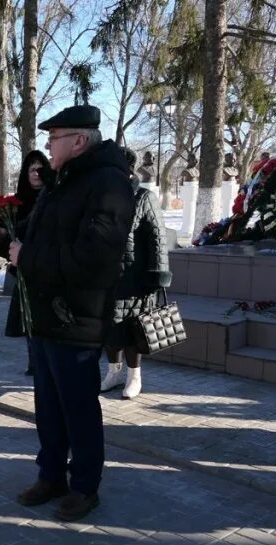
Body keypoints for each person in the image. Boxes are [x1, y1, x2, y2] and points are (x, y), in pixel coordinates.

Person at [0, 105, 134, 522]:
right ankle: (52, 474)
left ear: (78, 141)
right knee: (48, 406)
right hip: (46, 317)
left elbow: (94, 258)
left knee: (78, 408)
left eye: (54, 138)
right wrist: (4, 239)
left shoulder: (108, 184)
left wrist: (29, 256)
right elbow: (39, 238)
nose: (48, 147)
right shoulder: (63, 182)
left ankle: (84, 487)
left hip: (77, 317)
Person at [98, 148, 171, 400]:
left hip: (135, 278)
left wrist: (158, 274)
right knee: (110, 329)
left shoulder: (143, 197)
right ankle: (113, 373)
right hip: (107, 276)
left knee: (133, 330)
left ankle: (134, 376)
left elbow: (157, 237)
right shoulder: (102, 195)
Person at [0, 150, 51, 375]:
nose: (36, 173)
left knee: (45, 320)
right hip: (23, 272)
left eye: (40, 168)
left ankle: (42, 360)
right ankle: (34, 361)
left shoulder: (54, 195)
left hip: (47, 269)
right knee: (29, 320)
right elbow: (1, 232)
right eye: (31, 169)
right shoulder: (16, 201)